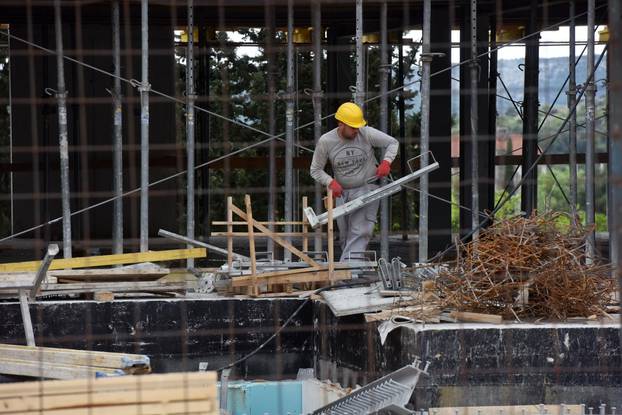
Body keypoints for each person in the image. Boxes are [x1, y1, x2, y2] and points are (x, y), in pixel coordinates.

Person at [310, 102, 399, 262]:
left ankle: (348, 272)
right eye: (352, 127)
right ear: (341, 124)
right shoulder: (326, 141)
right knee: (346, 237)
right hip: (342, 192)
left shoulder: (366, 133)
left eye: (358, 127)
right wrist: (330, 182)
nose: (356, 130)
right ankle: (354, 269)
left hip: (367, 187)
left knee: (360, 232)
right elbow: (315, 170)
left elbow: (392, 143)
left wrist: (386, 161)